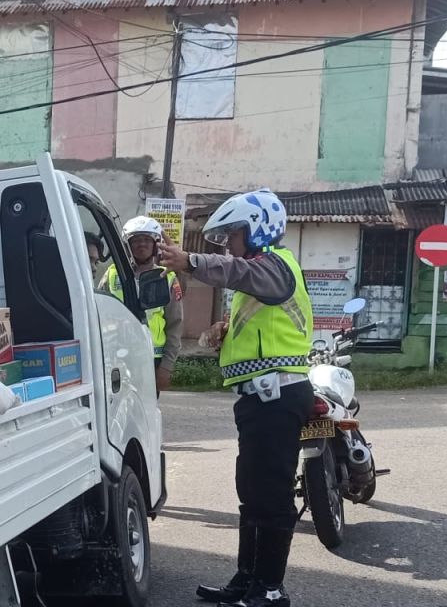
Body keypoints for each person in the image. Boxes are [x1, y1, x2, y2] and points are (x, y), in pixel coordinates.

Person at [157, 189, 313, 607]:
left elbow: (237, 272)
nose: (228, 245)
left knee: (272, 495)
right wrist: (224, 332)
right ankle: (247, 580)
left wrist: (191, 261)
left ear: (258, 230)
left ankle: (271, 589)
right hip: (258, 400)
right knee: (252, 492)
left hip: (278, 396)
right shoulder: (263, 274)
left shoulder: (276, 267)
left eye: (233, 235)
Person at [102, 216, 184, 390]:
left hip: (151, 361)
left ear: (156, 245)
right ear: (128, 246)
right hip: (116, 358)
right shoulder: (112, 274)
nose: (142, 245)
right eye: (136, 240)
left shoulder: (167, 277)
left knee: (147, 414)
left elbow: (175, 325)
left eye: (147, 240)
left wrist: (166, 367)